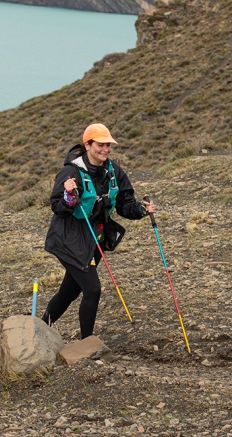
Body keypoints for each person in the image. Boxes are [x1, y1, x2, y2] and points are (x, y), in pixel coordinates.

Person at [42, 123, 154, 339]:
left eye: (108, 145)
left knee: (70, 290)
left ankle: (40, 325)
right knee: (92, 289)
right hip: (69, 239)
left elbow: (124, 204)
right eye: (101, 145)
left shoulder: (113, 171)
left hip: (96, 238)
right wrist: (69, 198)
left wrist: (140, 209)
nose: (106, 149)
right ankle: (87, 342)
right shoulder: (70, 172)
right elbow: (57, 207)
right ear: (87, 144)